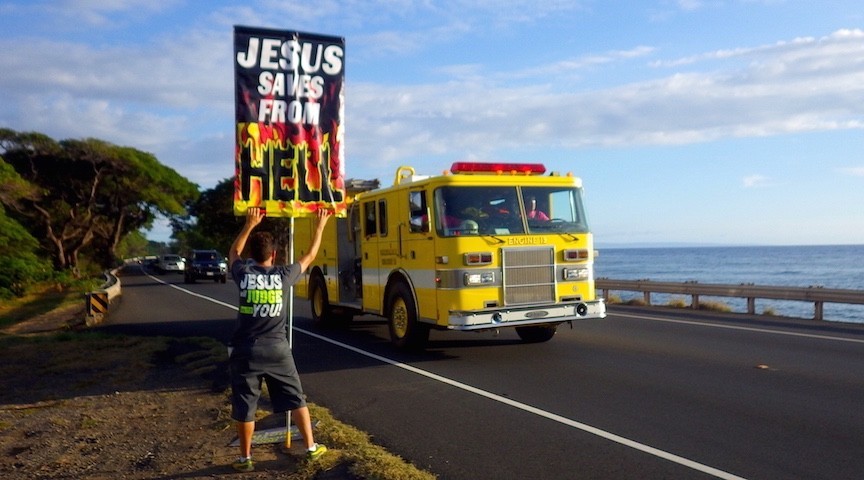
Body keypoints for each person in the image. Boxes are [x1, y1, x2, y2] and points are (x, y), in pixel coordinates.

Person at [227, 206, 332, 472]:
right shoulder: (283, 276)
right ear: (274, 255)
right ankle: (310, 447)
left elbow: (233, 253)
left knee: (245, 406)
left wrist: (249, 224)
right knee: (296, 398)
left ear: (252, 255)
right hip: (277, 350)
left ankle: (245, 458)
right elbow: (310, 255)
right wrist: (320, 226)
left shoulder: (244, 274)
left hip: (246, 350)